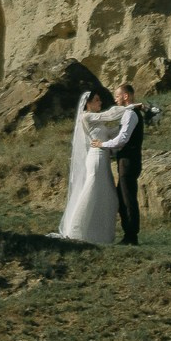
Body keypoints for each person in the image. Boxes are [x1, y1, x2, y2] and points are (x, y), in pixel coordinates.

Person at [54, 90, 119, 244]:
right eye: (96, 100)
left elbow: (109, 133)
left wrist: (126, 125)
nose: (100, 102)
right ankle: (76, 230)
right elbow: (110, 115)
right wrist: (130, 109)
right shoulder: (87, 116)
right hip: (96, 158)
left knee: (106, 194)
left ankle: (98, 234)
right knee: (91, 191)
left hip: (103, 159)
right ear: (88, 103)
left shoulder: (97, 120)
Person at [88, 83, 143, 246]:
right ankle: (129, 233)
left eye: (118, 96)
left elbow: (123, 139)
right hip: (127, 160)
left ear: (126, 96)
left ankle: (131, 236)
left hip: (129, 161)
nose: (115, 99)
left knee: (127, 198)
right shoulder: (130, 112)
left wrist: (103, 145)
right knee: (122, 196)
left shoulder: (130, 114)